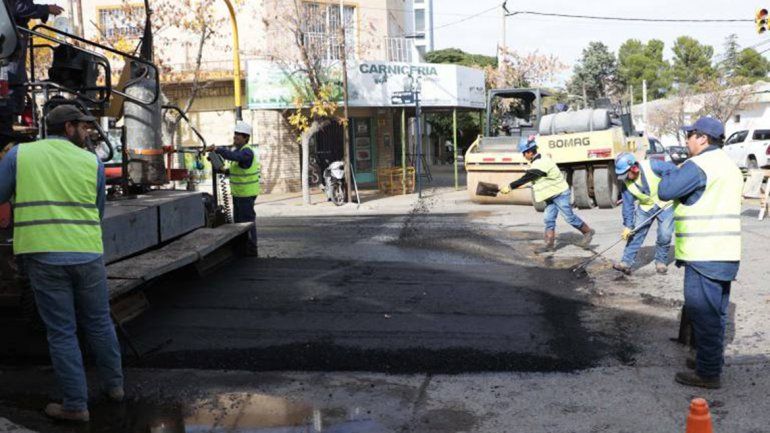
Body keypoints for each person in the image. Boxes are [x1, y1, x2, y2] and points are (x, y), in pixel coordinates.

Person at [0, 105, 124, 422]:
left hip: (44, 256)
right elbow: (98, 210)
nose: (88, 132)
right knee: (99, 323)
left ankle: (75, 405)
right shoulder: (91, 162)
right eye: (83, 127)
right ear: (68, 127)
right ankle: (115, 388)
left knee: (62, 332)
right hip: (87, 254)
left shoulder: (20, 155)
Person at [658, 116, 742, 389]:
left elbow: (665, 190)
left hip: (704, 253)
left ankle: (707, 374)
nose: (686, 141)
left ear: (703, 138)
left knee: (703, 314)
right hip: (725, 252)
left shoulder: (700, 164)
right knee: (716, 313)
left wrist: (672, 170)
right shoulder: (728, 166)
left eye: (690, 135)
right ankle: (710, 361)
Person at [498, 136, 594, 252]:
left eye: (524, 153)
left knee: (569, 218)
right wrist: (516, 186)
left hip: (560, 194)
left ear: (529, 152)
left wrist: (510, 186)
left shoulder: (541, 162)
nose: (524, 156)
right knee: (549, 219)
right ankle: (549, 245)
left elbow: (528, 177)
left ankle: (587, 231)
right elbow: (536, 180)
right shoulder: (537, 162)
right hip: (550, 195)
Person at [0, 1, 64, 141]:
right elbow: (19, 8)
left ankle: (13, 115)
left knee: (17, 78)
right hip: (11, 38)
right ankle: (11, 117)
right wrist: (46, 9)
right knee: (14, 79)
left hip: (13, 36)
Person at [612, 152, 676, 275]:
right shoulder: (626, 183)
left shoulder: (653, 165)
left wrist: (672, 189)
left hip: (665, 204)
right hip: (646, 207)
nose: (624, 178)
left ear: (634, 167)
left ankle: (661, 261)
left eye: (626, 174)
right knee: (635, 234)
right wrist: (628, 226)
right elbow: (628, 205)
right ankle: (626, 262)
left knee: (665, 234)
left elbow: (675, 172)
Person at [208, 120, 260, 256]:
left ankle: (251, 248)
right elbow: (237, 169)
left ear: (246, 138)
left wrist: (218, 149)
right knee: (238, 224)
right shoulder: (238, 151)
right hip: (238, 195)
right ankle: (241, 249)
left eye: (239, 135)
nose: (236, 136)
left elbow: (235, 157)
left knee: (247, 223)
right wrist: (223, 170)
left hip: (246, 195)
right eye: (235, 134)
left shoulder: (247, 152)